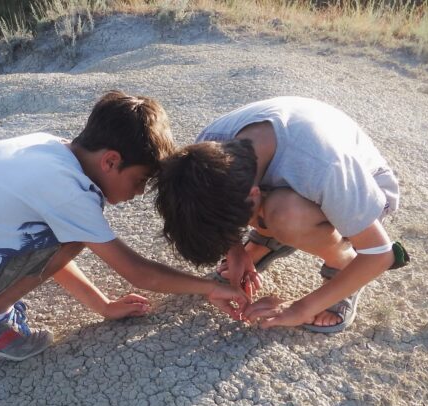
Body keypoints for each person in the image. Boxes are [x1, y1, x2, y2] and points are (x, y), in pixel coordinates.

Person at [0, 91, 248, 361]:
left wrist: (103, 305)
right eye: (140, 180)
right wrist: (208, 288)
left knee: (36, 228)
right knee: (72, 238)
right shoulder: (72, 193)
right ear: (111, 161)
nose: (139, 192)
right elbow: (139, 273)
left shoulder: (45, 145)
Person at [154, 97, 404, 333]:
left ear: (254, 195)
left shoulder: (325, 167)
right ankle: (268, 239)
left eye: (239, 226)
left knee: (286, 214)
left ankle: (343, 264)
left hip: (367, 190)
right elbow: (211, 203)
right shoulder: (203, 154)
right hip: (296, 179)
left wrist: (300, 308)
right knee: (274, 209)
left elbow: (380, 254)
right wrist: (235, 251)